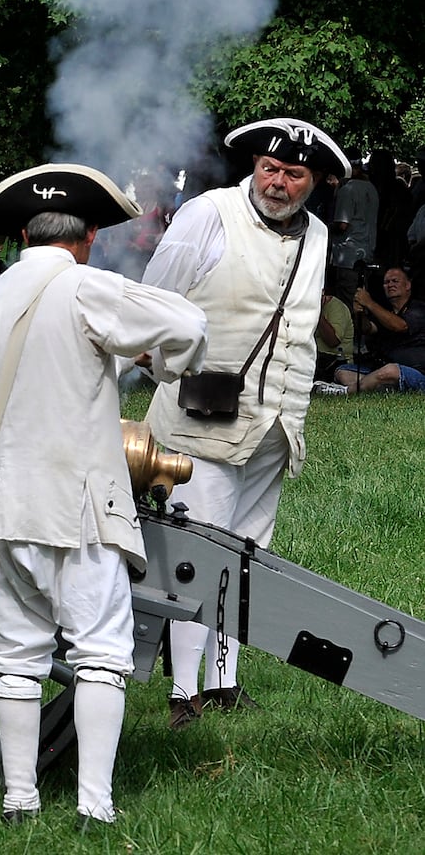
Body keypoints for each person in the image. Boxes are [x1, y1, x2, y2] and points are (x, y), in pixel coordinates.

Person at [0, 163, 207, 827]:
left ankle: (19, 800)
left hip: (11, 502)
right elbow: (186, 324)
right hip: (80, 503)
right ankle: (93, 808)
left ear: (21, 233)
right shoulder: (83, 286)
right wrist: (159, 365)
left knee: (16, 657)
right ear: (90, 235)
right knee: (101, 653)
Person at [143, 117, 348, 728]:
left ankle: (225, 683)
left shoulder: (315, 234)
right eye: (270, 168)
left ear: (314, 183)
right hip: (202, 413)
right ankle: (182, 693)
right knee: (195, 555)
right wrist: (164, 370)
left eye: (294, 173)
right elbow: (157, 301)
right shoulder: (208, 213)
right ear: (253, 166)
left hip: (276, 423)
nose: (278, 182)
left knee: (248, 552)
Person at [333, 267, 425, 393]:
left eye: (395, 281)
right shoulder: (386, 312)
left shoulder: (419, 308)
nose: (390, 285)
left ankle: (345, 392)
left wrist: (369, 303)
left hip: (416, 372)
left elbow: (400, 326)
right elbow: (368, 329)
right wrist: (359, 313)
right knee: (342, 371)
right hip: (383, 368)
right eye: (386, 282)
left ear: (408, 285)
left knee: (390, 370)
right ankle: (381, 385)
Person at [328, 157, 378, 309]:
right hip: (366, 252)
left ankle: (348, 332)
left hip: (347, 256)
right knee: (361, 303)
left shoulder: (348, 189)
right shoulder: (371, 188)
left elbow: (342, 224)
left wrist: (324, 227)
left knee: (345, 304)